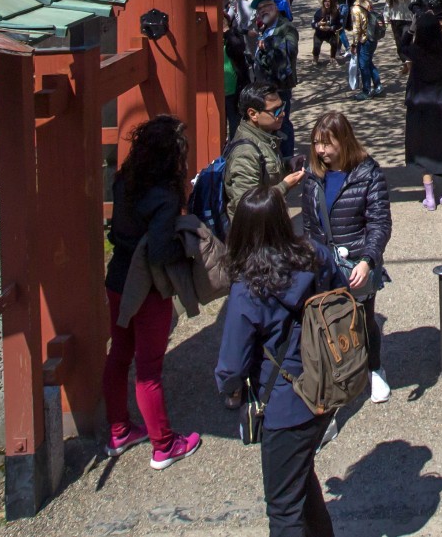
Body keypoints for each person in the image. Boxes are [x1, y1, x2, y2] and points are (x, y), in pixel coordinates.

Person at [215, 187, 345, 537]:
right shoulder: (314, 254)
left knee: (283, 508)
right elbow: (341, 289)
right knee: (300, 481)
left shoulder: (248, 290)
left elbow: (231, 364)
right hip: (325, 384)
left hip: (284, 403)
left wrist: (229, 391)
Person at [103, 116, 205, 468]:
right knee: (148, 369)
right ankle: (163, 444)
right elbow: (161, 251)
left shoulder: (122, 182)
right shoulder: (164, 196)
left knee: (119, 355)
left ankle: (119, 429)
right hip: (147, 287)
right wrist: (187, 249)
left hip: (117, 277)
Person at [300, 110, 393, 404]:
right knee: (324, 322)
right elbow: (307, 223)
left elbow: (379, 223)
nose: (321, 151)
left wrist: (367, 260)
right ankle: (334, 376)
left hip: (356, 262)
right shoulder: (312, 175)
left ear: (344, 141)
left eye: (327, 144)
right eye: (317, 143)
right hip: (322, 262)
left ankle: (374, 367)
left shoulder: (368, 173)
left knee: (363, 319)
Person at [404, 10, 442, 210]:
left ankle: (430, 198)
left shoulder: (415, 51)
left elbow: (402, 46)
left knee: (423, 148)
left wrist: (410, 29)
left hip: (420, 101)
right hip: (441, 99)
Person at [227, 84, 305, 210]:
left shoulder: (264, 136)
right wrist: (284, 186)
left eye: (282, 107)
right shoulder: (245, 153)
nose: (283, 114)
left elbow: (265, 169)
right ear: (253, 114)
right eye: (276, 111)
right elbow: (247, 205)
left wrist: (286, 164)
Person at [252, 0, 300, 159]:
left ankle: (287, 158)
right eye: (259, 9)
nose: (263, 11)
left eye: (267, 7)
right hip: (266, 85)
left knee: (281, 121)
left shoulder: (286, 27)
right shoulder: (265, 28)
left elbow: (291, 48)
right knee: (270, 121)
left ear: (276, 8)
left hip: (279, 85)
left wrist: (269, 44)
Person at [349, 0, 382, 100]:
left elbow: (356, 28)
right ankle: (378, 86)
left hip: (364, 39)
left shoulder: (356, 8)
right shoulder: (367, 3)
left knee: (363, 65)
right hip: (373, 37)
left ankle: (366, 90)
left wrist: (354, 43)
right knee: (368, 62)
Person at [311, 0, 345, 64]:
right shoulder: (319, 12)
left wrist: (330, 28)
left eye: (329, 1)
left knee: (334, 42)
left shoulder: (336, 13)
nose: (327, 3)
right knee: (316, 46)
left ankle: (332, 57)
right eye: (325, 1)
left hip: (330, 33)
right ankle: (315, 58)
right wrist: (318, 25)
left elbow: (340, 24)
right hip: (319, 33)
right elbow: (313, 24)